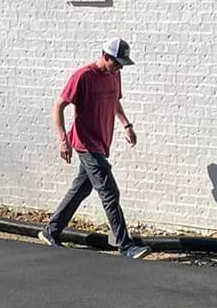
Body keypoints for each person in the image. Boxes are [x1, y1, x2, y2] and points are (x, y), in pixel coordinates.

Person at [40, 37, 148, 258]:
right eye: (117, 63)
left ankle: (51, 230)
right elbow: (58, 106)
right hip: (85, 143)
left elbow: (114, 101)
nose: (119, 68)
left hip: (101, 142)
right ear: (105, 56)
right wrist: (63, 139)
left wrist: (127, 125)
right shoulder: (83, 76)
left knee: (82, 188)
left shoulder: (114, 75)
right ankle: (126, 246)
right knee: (109, 192)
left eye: (122, 64)